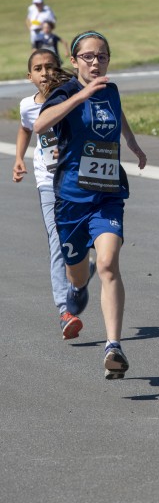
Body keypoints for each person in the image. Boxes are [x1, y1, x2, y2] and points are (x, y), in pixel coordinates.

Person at [34, 31, 147, 379]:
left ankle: (114, 346)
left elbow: (117, 112)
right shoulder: (64, 93)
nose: (95, 63)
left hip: (107, 195)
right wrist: (81, 95)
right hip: (71, 200)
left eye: (102, 56)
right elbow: (40, 124)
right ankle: (77, 286)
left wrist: (132, 143)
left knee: (109, 263)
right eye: (88, 57)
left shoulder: (110, 90)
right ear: (74, 61)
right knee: (78, 273)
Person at [13, 49, 87, 339]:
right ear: (29, 76)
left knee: (81, 239)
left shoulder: (72, 98)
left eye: (50, 67)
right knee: (57, 242)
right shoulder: (27, 106)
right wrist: (19, 158)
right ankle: (65, 311)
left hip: (78, 180)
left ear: (60, 70)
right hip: (48, 182)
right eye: (38, 68)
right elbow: (25, 128)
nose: (44, 73)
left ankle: (81, 273)